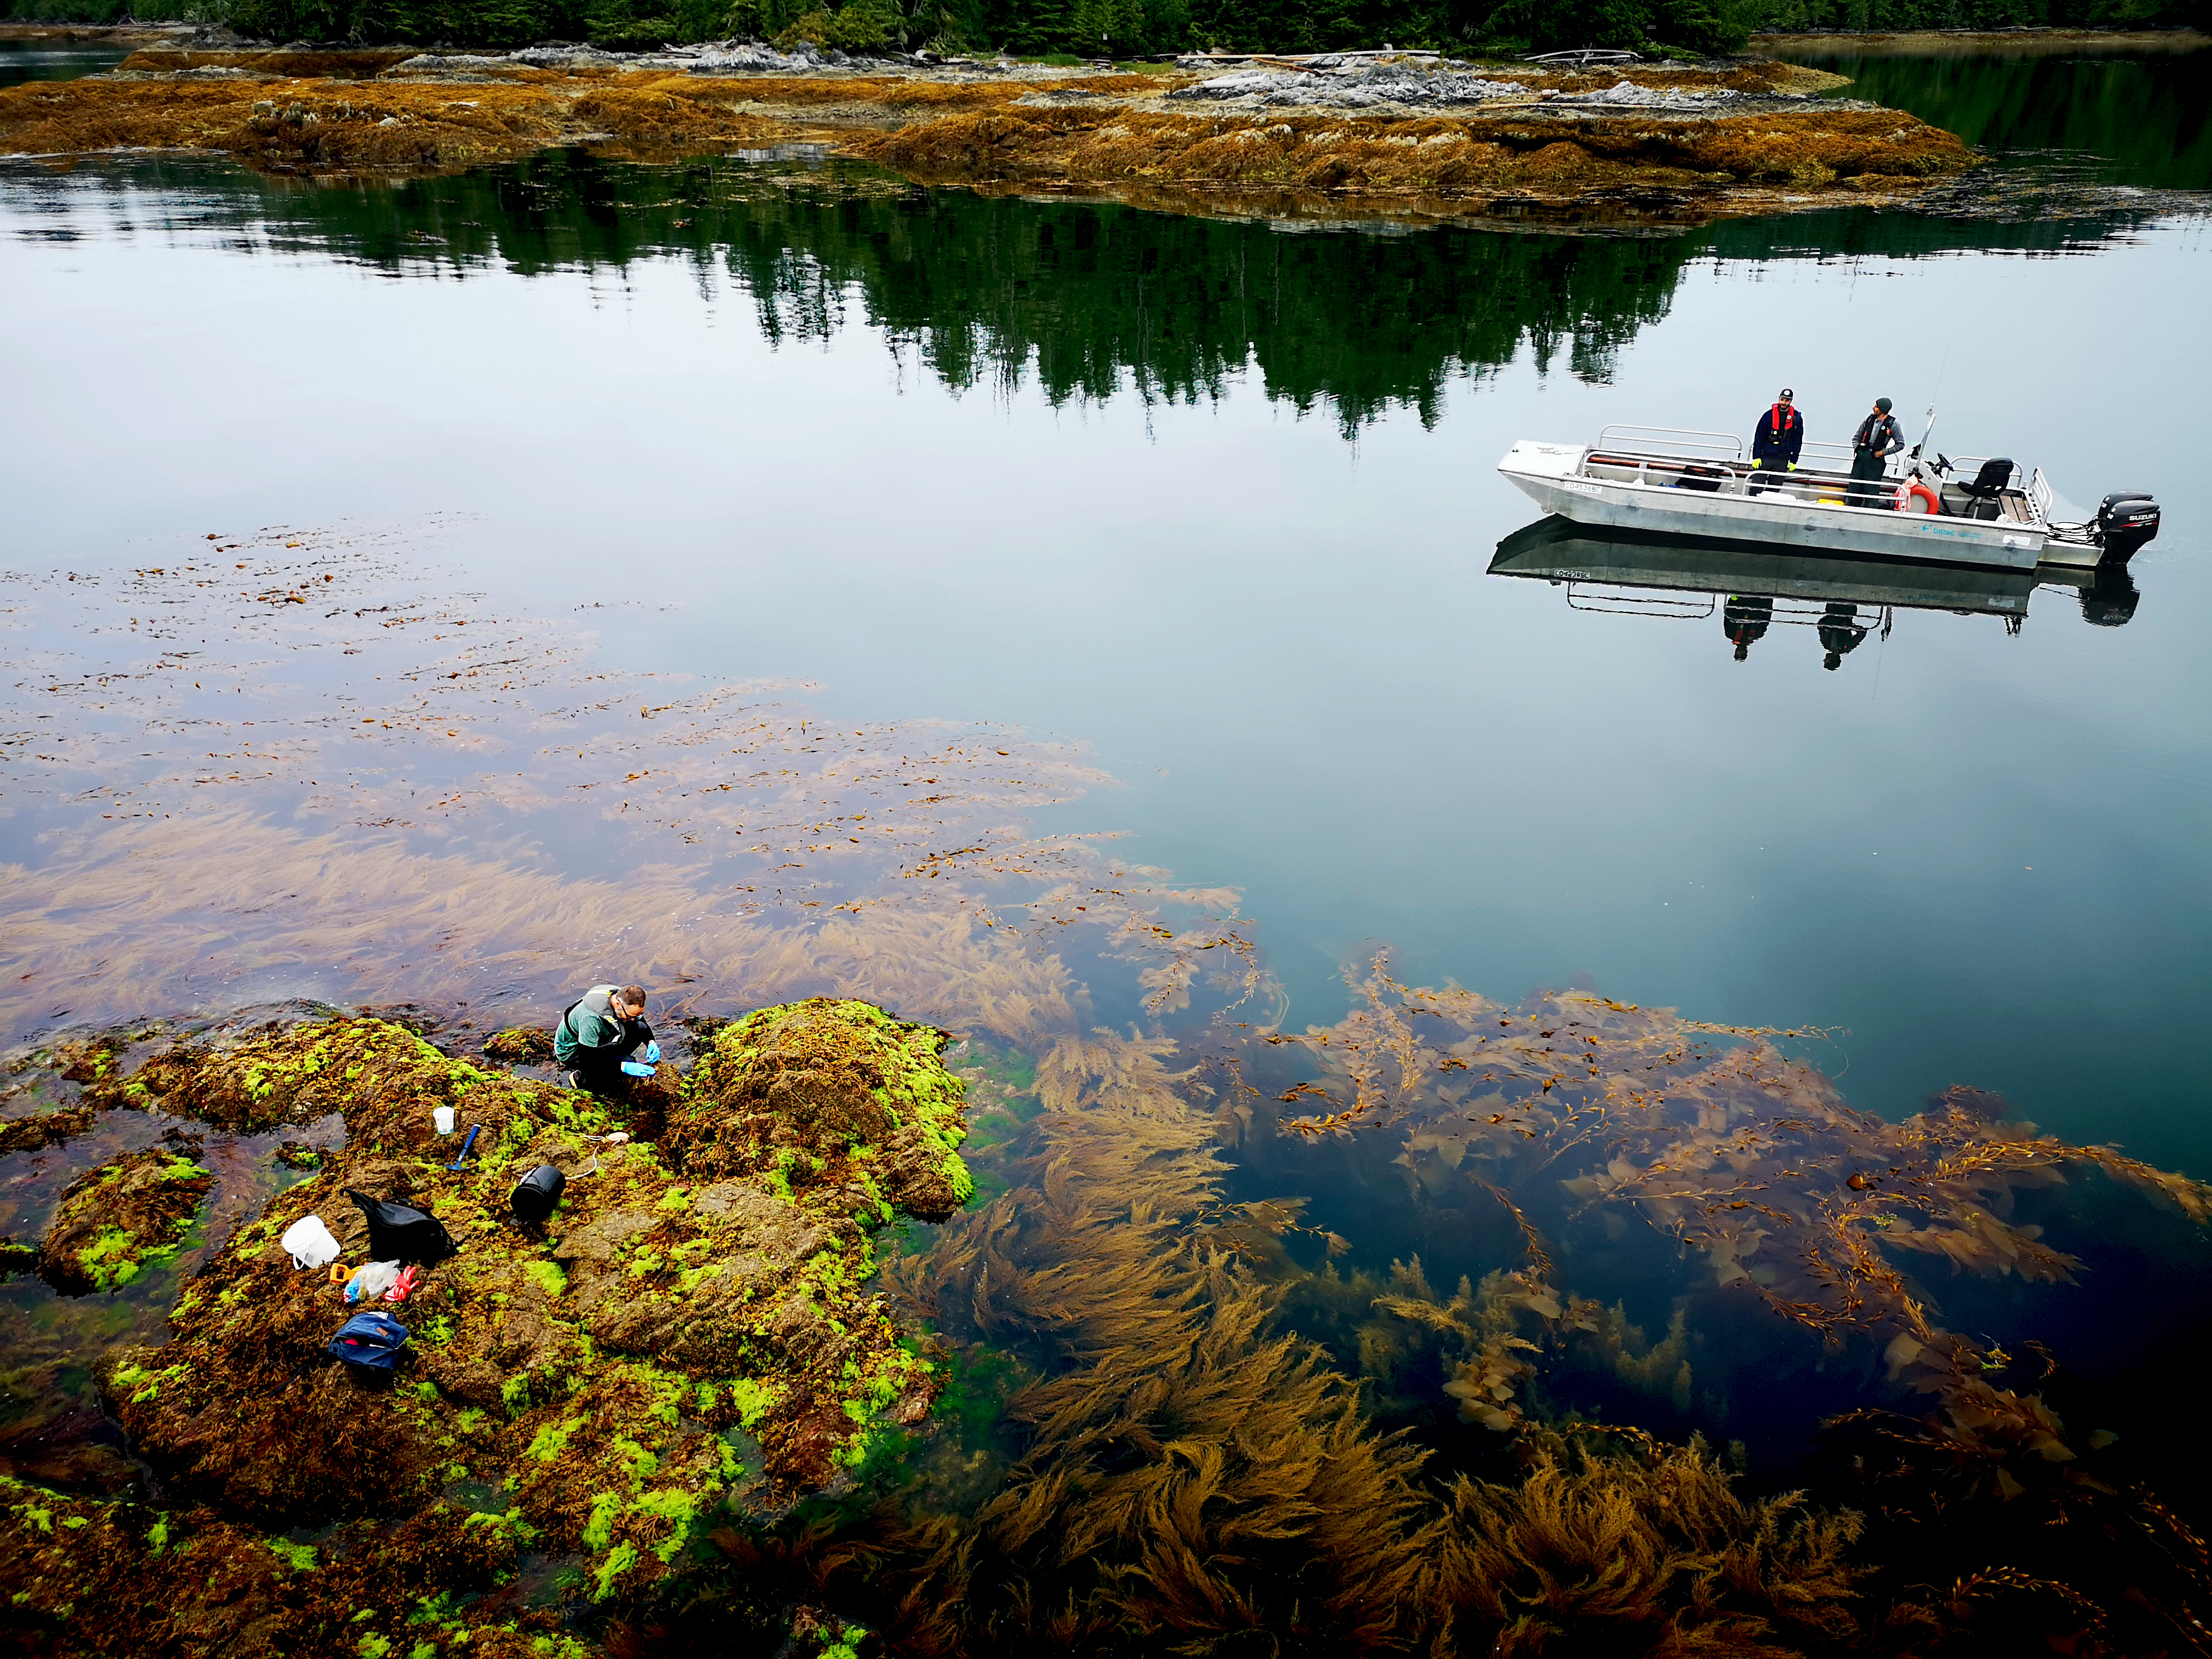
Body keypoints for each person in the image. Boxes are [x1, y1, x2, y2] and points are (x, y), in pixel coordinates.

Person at [555, 983, 656, 1096]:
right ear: (618, 1004)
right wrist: (622, 1066)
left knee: (640, 1028)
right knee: (624, 1064)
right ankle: (581, 1080)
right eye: (630, 1016)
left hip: (598, 1039)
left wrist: (651, 1042)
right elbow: (588, 1057)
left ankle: (615, 1062)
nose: (633, 1020)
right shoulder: (590, 1019)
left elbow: (639, 1021)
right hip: (575, 1051)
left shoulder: (622, 998)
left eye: (637, 1014)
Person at [1848, 397, 1906, 506]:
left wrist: (1883, 452)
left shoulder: (1893, 425)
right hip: (1861, 458)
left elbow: (1901, 444)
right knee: (1854, 487)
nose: (1873, 408)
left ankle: (1870, 511)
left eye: (1876, 407)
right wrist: (1858, 450)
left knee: (1871, 490)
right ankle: (1851, 507)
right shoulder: (1868, 420)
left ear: (1882, 409)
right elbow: (1856, 438)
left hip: (1875, 461)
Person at [1748, 387, 1803, 495]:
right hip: (1766, 456)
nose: (1784, 402)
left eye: (1787, 400)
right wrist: (1757, 457)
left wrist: (1793, 460)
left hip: (1783, 458)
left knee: (1774, 489)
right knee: (1756, 486)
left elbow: (1798, 440)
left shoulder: (1796, 418)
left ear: (1791, 401)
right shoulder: (1768, 416)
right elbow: (1759, 436)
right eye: (1782, 399)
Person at [1817, 602, 1868, 670]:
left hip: (1832, 611)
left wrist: (1828, 626)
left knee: (1834, 594)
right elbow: (1862, 633)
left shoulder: (1826, 644)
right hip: (1847, 613)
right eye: (1826, 661)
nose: (1824, 659)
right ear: (1833, 660)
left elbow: (1820, 626)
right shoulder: (1847, 647)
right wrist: (1848, 626)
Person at [1723, 595, 1772, 662]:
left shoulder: (1730, 634)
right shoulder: (1758, 634)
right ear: (1746, 652)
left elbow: (1728, 616)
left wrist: (1733, 601)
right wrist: (1768, 599)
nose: (1740, 652)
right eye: (1742, 654)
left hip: (1741, 601)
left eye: (1738, 654)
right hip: (1758, 601)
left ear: (1736, 651)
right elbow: (1766, 616)